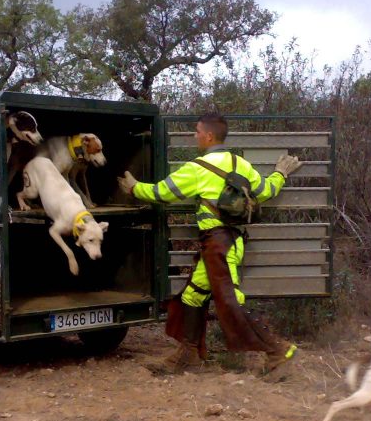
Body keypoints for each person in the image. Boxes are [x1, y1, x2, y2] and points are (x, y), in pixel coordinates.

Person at [117, 112, 302, 375]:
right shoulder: (242, 165)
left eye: (196, 131)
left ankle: (277, 349)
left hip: (218, 245)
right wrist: (280, 173)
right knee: (193, 296)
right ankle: (188, 355)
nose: (194, 135)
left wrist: (135, 188)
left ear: (209, 136)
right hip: (227, 244)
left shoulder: (197, 168)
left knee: (230, 301)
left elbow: (162, 192)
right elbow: (266, 191)